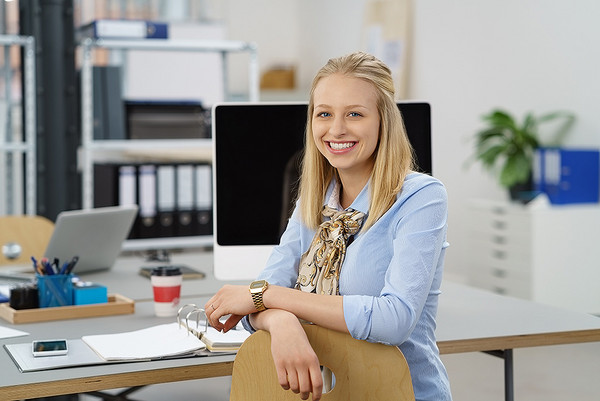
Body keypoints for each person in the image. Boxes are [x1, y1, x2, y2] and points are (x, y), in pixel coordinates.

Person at [205, 51, 452, 401]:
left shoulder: (422, 197)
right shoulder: (315, 201)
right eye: (324, 114)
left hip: (399, 391)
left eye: (354, 114)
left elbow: (394, 320)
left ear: (384, 121)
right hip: (329, 391)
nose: (336, 129)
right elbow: (251, 307)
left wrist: (269, 298)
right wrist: (280, 321)